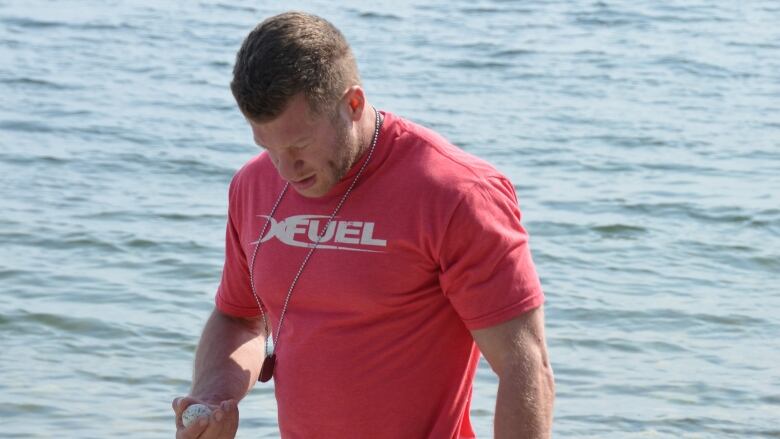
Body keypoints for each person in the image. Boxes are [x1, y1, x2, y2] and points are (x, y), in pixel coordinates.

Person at [172, 11, 554, 439]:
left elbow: (525, 366)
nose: (285, 168)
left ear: (352, 104)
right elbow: (239, 319)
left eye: (299, 145)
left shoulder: (457, 194)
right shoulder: (253, 186)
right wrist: (211, 400)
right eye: (267, 145)